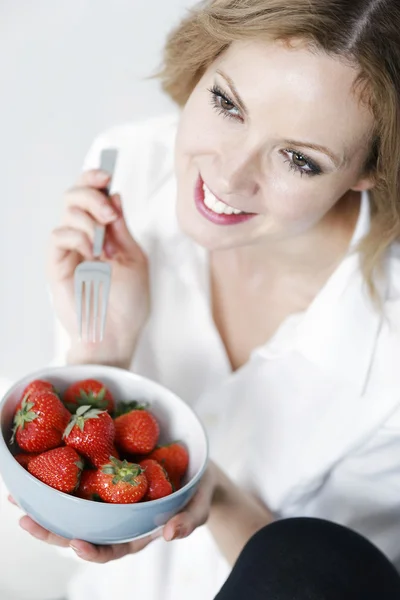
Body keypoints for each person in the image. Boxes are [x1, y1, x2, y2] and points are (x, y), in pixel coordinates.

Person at [9, 0, 400, 598]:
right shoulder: (127, 172)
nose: (228, 175)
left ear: (370, 169)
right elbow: (78, 463)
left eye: (299, 158)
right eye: (227, 104)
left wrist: (209, 491)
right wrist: (102, 355)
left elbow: (325, 581)